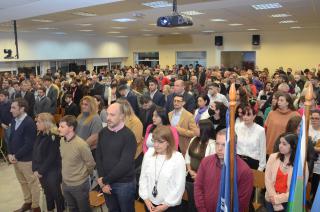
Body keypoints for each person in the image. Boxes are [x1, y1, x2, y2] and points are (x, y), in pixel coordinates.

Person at [194, 128, 253, 212]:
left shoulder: (244, 171)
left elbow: (241, 204)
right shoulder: (206, 162)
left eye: (224, 145)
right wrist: (202, 210)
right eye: (217, 144)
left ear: (234, 146)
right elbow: (198, 187)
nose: (219, 148)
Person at [96, 103, 137, 212]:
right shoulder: (102, 132)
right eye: (108, 114)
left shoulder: (129, 136)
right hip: (106, 183)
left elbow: (125, 164)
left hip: (124, 184)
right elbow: (99, 157)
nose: (108, 118)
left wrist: (104, 180)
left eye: (112, 115)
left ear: (122, 116)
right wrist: (103, 180)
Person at [139, 125, 186, 212]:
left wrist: (166, 205)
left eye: (160, 142)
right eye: (154, 141)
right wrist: (146, 199)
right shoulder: (149, 154)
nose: (156, 145)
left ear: (168, 142)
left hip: (169, 206)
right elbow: (143, 178)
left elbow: (179, 185)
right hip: (149, 203)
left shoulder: (177, 158)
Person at [8, 98, 41, 212]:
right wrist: (9, 153)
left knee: (32, 183)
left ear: (22, 109)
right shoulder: (14, 120)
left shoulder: (29, 123)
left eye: (13, 108)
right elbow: (11, 138)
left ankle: (36, 206)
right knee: (22, 182)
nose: (11, 110)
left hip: (26, 159)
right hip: (15, 158)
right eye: (11, 107)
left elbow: (29, 144)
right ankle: (28, 202)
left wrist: (16, 156)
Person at [58, 115, 96, 212]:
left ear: (71, 128)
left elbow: (90, 163)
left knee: (84, 209)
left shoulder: (81, 145)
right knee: (72, 208)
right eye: (59, 126)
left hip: (79, 185)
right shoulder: (62, 141)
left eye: (62, 127)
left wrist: (82, 176)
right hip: (66, 183)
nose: (59, 129)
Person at [32, 113, 64, 212]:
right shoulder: (40, 134)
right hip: (42, 171)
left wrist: (40, 171)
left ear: (46, 123)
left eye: (38, 122)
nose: (36, 123)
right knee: (47, 193)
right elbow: (35, 152)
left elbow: (51, 157)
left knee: (56, 194)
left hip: (53, 170)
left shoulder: (54, 137)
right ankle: (50, 209)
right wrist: (35, 169)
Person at [185, 119, 216, 212]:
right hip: (190, 174)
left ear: (204, 130)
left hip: (204, 179)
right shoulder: (194, 139)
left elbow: (211, 168)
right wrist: (190, 170)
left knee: (195, 196)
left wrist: (198, 176)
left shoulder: (212, 145)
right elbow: (187, 157)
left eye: (197, 127)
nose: (195, 128)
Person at [265, 134, 301, 211]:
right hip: (271, 197)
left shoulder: (300, 165)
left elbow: (297, 189)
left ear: (293, 146)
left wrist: (278, 199)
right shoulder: (273, 157)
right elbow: (267, 180)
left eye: (284, 144)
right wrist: (274, 199)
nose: (280, 146)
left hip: (289, 201)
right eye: (280, 143)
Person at [235, 105, 266, 171]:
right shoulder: (237, 127)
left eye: (248, 115)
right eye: (244, 114)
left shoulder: (260, 130)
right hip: (238, 161)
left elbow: (263, 151)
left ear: (254, 116)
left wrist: (260, 169)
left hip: (253, 163)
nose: (245, 117)